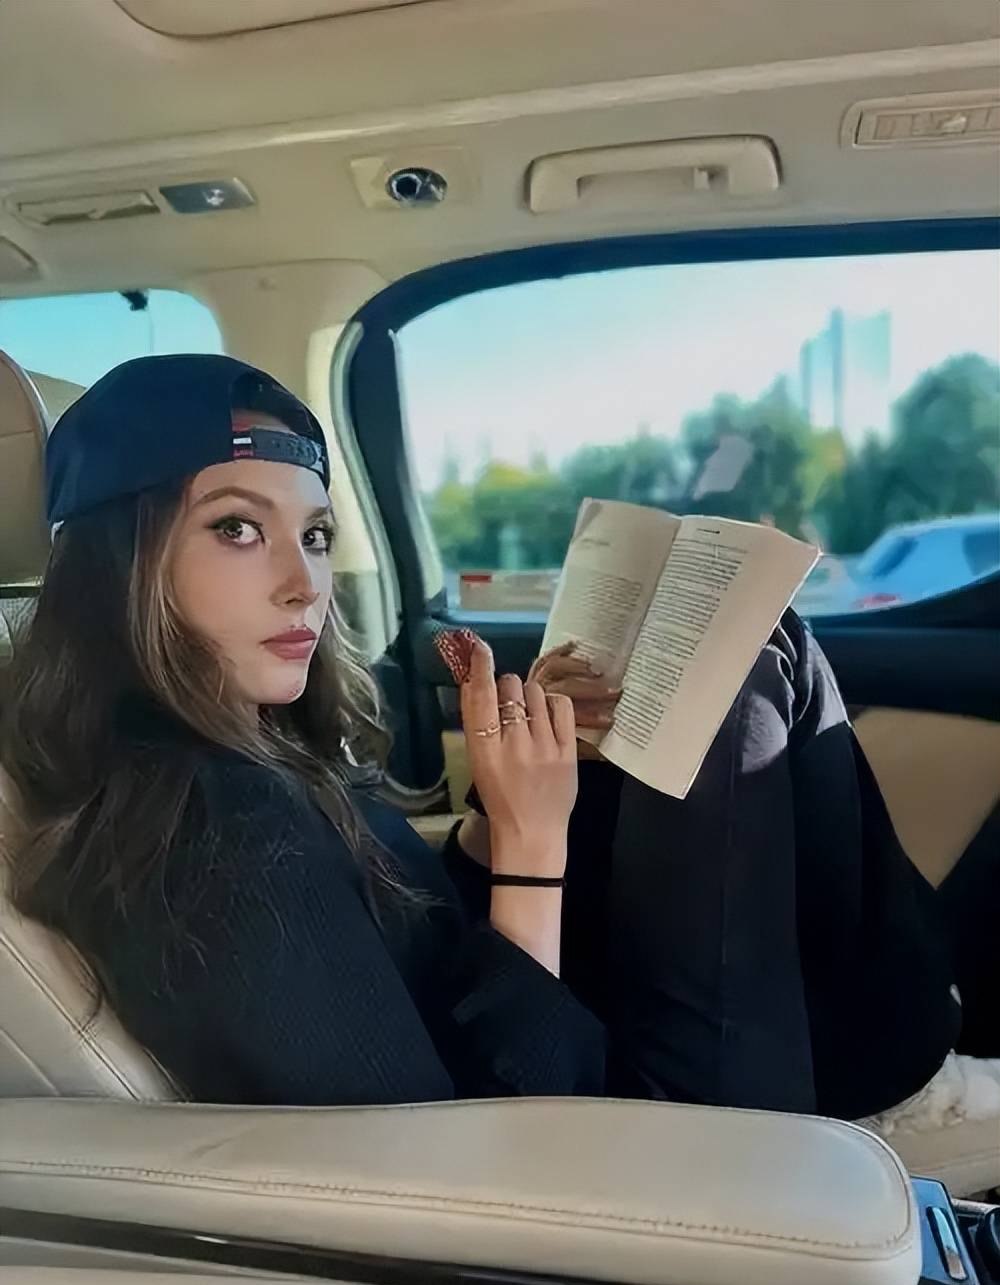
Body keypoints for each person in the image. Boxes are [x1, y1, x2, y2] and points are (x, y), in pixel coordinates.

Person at [0, 354, 978, 1117]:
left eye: (315, 535)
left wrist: (487, 823)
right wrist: (530, 845)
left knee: (758, 643)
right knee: (742, 682)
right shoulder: (210, 836)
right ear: (118, 560)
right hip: (616, 1134)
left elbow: (403, 931)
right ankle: (899, 1043)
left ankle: (887, 1037)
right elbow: (470, 1146)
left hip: (549, 1033)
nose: (303, 585)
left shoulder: (228, 744)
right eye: (237, 529)